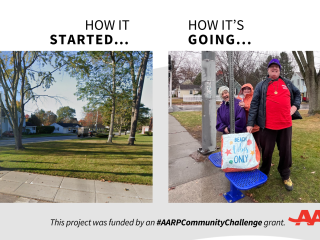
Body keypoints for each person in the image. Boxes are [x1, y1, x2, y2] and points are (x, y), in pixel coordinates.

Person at [247, 59, 301, 191]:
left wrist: (295, 106)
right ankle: (263, 174)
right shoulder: (261, 85)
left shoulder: (287, 83)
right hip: (268, 126)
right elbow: (254, 104)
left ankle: (285, 175)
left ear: (280, 70)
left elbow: (298, 94)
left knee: (285, 151)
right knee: (266, 151)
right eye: (272, 67)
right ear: (268, 70)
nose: (274, 68)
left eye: (277, 67)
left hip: (285, 124)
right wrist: (250, 123)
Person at [237, 83, 260, 150]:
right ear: (242, 90)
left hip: (254, 126)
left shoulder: (255, 98)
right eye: (245, 89)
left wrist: (246, 106)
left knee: (256, 144)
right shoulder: (238, 98)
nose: (246, 90)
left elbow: (256, 109)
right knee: (245, 145)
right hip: (242, 127)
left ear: (251, 90)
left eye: (248, 89)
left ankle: (257, 159)